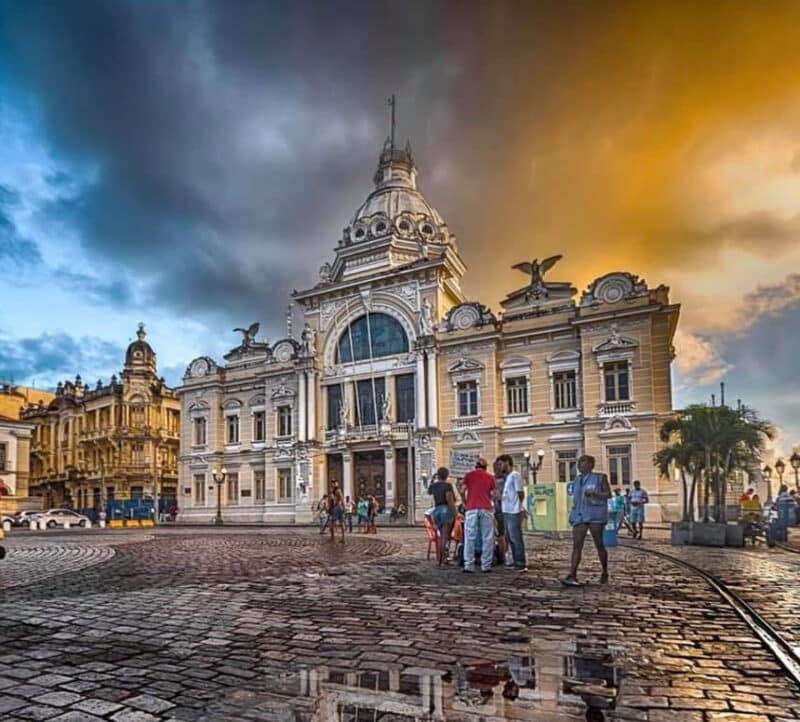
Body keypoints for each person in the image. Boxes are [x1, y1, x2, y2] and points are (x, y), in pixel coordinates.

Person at [561, 454, 611, 586]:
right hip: (580, 515)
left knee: (599, 544)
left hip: (595, 515)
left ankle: (605, 571)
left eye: (582, 462)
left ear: (590, 465)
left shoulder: (600, 478)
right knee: (576, 545)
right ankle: (572, 574)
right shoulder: (577, 480)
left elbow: (608, 494)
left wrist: (596, 494)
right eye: (578, 462)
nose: (579, 465)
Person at [461, 457, 497, 573]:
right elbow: (494, 494)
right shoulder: (490, 477)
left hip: (471, 508)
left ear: (475, 466)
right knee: (487, 537)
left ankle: (468, 565)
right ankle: (486, 565)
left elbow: (462, 491)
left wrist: (465, 502)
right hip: (486, 508)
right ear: (486, 467)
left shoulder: (469, 476)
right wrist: (491, 501)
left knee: (469, 537)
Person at [498, 455, 527, 572]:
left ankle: (520, 562)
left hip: (514, 510)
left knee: (515, 537)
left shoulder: (515, 475)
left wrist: (518, 505)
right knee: (509, 537)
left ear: (507, 463)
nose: (499, 467)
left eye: (501, 464)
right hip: (507, 509)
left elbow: (520, 492)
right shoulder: (507, 477)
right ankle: (515, 560)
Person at [427, 467, 457, 564]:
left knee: (442, 535)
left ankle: (443, 557)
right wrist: (455, 512)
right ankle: (442, 558)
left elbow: (429, 491)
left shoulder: (434, 486)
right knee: (445, 536)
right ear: (447, 475)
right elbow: (449, 500)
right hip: (445, 510)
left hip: (437, 511)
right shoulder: (447, 486)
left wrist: (432, 479)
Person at [492, 458, 509, 566]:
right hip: (495, 509)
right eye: (496, 466)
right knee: (499, 534)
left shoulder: (507, 479)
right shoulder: (492, 479)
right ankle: (502, 555)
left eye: (499, 465)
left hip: (503, 508)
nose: (497, 468)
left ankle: (503, 556)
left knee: (502, 534)